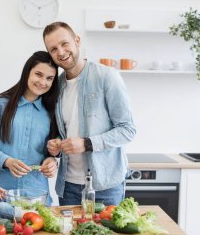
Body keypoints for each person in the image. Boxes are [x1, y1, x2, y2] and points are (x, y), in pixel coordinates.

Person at [43, 22, 136, 206]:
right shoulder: (56, 86)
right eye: (53, 49)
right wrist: (56, 146)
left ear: (77, 40)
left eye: (64, 44)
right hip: (68, 186)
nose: (61, 52)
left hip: (106, 186)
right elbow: (66, 131)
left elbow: (127, 130)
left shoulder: (107, 76)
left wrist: (86, 144)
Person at [0, 51, 59, 205]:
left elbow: (52, 150)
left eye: (49, 78)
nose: (43, 82)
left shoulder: (52, 111)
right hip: (0, 194)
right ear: (27, 72)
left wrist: (52, 161)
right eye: (38, 74)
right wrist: (7, 161)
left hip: (37, 196)